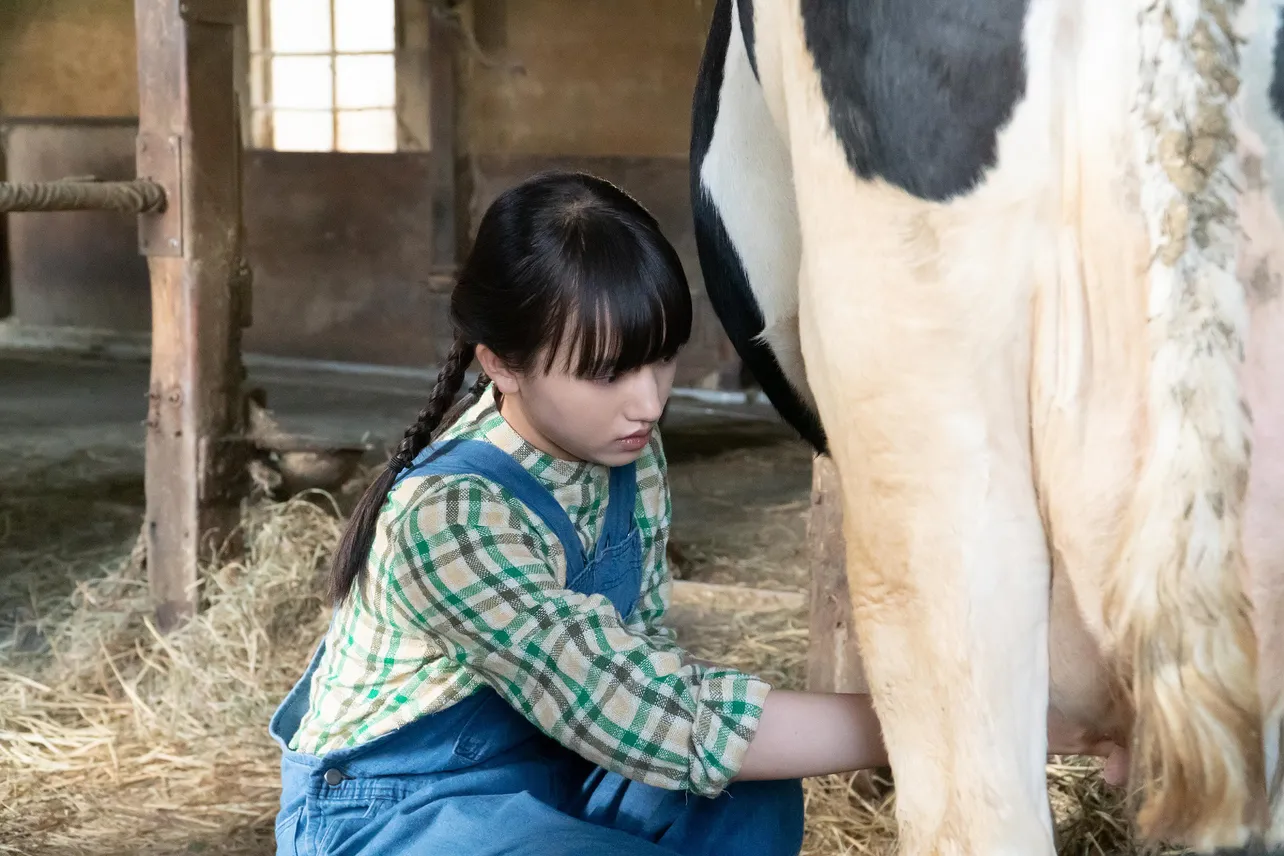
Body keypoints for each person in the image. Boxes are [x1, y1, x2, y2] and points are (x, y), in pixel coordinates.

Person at [269, 170, 1123, 856]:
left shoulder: (621, 449)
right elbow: (657, 719)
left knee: (745, 800)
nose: (647, 402)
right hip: (394, 812)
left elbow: (640, 671)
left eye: (662, 360)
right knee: (705, 760)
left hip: (556, 766)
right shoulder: (449, 520)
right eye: (606, 372)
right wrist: (973, 724)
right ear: (502, 363)